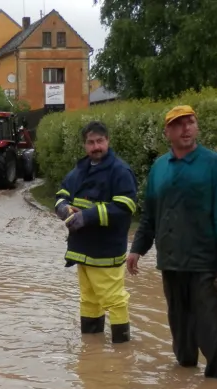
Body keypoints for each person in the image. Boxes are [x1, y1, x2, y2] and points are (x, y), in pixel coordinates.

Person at [127, 105, 217, 379]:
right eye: (179, 124)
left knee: (210, 327)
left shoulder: (214, 164)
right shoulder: (159, 168)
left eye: (191, 122)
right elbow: (150, 215)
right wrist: (137, 249)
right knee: (179, 324)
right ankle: (185, 372)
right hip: (171, 261)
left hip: (206, 263)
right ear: (168, 132)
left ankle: (216, 380)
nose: (186, 128)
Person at [54, 121, 139, 344]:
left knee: (114, 300)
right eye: (91, 142)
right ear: (85, 145)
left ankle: (122, 351)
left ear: (107, 141)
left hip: (105, 251)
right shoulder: (80, 169)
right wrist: (63, 208)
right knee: (89, 300)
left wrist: (87, 216)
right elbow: (61, 194)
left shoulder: (119, 171)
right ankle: (91, 348)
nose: (96, 146)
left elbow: (125, 206)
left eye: (100, 141)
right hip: (83, 251)